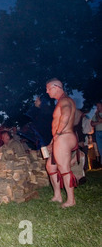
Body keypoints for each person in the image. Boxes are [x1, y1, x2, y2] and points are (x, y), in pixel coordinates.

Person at [45, 78, 78, 208]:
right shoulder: (62, 101)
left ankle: (71, 200)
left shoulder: (64, 100)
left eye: (48, 88)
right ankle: (58, 196)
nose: (47, 91)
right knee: (50, 166)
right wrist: (53, 140)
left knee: (64, 168)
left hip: (64, 137)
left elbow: (65, 116)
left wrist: (58, 135)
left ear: (56, 87)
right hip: (61, 137)